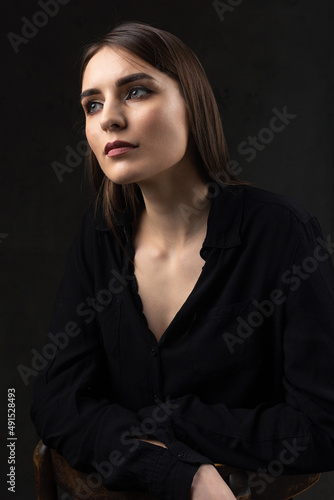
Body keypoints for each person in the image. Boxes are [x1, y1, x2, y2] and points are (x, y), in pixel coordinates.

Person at [30, 21, 334, 500]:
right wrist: (182, 472)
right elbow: (55, 401)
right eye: (92, 104)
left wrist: (166, 420)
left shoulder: (280, 232)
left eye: (135, 92)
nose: (108, 118)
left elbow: (323, 427)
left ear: (192, 104)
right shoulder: (100, 238)